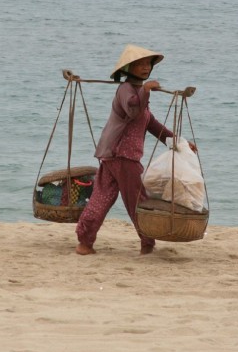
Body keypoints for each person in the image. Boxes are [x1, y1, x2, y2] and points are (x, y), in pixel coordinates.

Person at [75, 44, 197, 256]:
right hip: (124, 156)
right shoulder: (126, 90)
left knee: (102, 198)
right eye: (140, 64)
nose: (145, 67)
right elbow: (132, 108)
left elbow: (152, 125)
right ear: (128, 68)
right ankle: (147, 243)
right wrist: (146, 90)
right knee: (138, 201)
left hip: (112, 155)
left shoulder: (139, 94)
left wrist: (180, 143)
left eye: (147, 64)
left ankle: (85, 242)